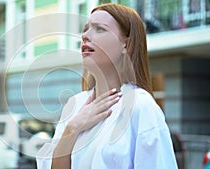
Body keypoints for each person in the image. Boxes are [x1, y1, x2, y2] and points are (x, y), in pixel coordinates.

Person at [36, 3, 178, 169]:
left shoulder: (141, 106)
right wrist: (71, 129)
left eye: (100, 29)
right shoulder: (74, 105)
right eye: (86, 29)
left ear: (126, 44)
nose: (85, 36)